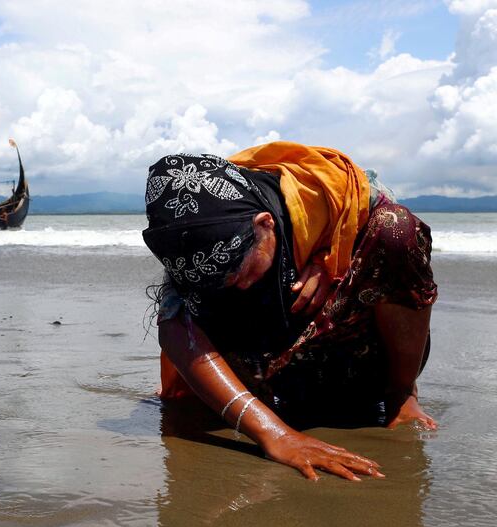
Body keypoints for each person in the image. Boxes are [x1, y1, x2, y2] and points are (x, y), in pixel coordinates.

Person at [143, 142, 437, 482]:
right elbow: (175, 328)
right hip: (269, 374)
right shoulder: (194, 236)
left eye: (239, 272)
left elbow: (393, 251)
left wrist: (331, 257)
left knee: (395, 228)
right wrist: (275, 434)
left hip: (353, 358)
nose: (236, 286)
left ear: (265, 224)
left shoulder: (341, 193)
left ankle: (401, 396)